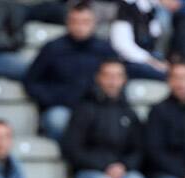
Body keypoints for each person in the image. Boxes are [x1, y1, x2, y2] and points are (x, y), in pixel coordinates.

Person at [23, 2, 116, 142]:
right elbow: (31, 81)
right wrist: (53, 98)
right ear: (67, 22)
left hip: (95, 108)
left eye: (85, 22)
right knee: (57, 120)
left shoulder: (105, 50)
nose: (80, 27)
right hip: (62, 108)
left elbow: (119, 76)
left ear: (94, 23)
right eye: (75, 21)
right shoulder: (53, 48)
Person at [62, 59, 149, 178]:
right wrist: (104, 167)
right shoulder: (84, 109)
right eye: (108, 76)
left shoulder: (129, 112)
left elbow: (138, 149)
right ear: (98, 78)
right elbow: (72, 149)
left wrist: (123, 166)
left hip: (123, 172)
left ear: (124, 79)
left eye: (117, 76)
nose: (112, 81)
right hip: (90, 172)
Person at [109, 0, 177, 81]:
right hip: (131, 62)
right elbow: (122, 46)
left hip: (151, 56)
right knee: (169, 76)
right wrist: (150, 60)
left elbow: (156, 35)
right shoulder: (125, 9)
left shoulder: (154, 10)